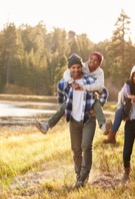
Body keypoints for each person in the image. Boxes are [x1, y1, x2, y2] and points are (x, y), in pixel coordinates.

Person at [56, 53, 108, 188]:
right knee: (76, 149)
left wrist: (98, 107)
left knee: (86, 146)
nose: (76, 69)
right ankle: (79, 177)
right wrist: (61, 106)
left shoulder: (89, 79)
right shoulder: (67, 82)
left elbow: (104, 91)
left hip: (88, 118)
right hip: (74, 119)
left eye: (78, 67)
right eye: (73, 67)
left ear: (81, 67)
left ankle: (83, 178)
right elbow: (59, 88)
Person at [35, 51, 112, 135]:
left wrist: (87, 89)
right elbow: (67, 72)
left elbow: (100, 87)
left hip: (90, 96)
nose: (91, 61)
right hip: (76, 96)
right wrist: (72, 82)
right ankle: (47, 125)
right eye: (91, 58)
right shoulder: (83, 66)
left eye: (95, 60)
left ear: (99, 64)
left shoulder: (100, 73)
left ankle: (103, 126)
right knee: (63, 107)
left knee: (96, 104)